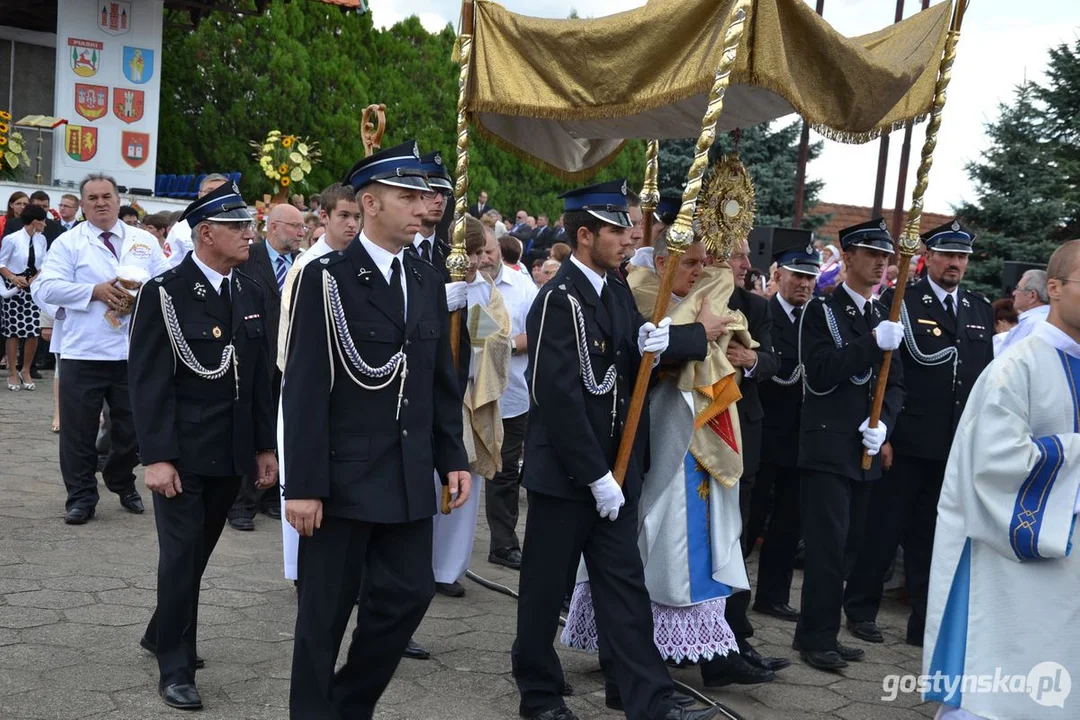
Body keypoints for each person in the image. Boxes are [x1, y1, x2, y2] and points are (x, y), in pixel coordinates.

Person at [512, 179, 719, 720]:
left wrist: (668, 343)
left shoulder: (617, 291)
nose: (629, 237)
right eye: (615, 229)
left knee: (624, 589)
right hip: (570, 475)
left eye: (627, 227)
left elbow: (629, 372)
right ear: (585, 236)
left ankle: (644, 699)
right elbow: (557, 397)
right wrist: (595, 475)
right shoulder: (559, 301)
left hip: (617, 473)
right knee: (543, 590)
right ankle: (538, 696)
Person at [282, 141, 470, 719]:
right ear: (369, 202)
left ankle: (347, 704)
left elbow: (440, 381)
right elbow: (305, 388)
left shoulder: (425, 274)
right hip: (342, 478)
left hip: (409, 475)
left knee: (408, 597)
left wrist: (452, 455)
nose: (425, 204)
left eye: (427, 194)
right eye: (408, 195)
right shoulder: (327, 278)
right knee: (324, 617)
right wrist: (304, 485)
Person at [562, 229, 768, 702]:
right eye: (690, 262)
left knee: (693, 545)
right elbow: (639, 356)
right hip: (652, 440)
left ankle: (683, 654)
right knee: (649, 543)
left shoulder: (707, 297)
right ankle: (629, 659)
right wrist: (699, 331)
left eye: (702, 263)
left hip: (699, 441)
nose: (700, 271)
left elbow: (725, 349)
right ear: (661, 261)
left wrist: (715, 333)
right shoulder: (635, 293)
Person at [127, 182, 278, 710]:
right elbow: (148, 383)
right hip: (183, 452)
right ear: (206, 233)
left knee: (199, 551)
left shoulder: (251, 289)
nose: (248, 234)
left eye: (248, 225)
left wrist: (265, 446)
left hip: (230, 451)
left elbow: (261, 379)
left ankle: (159, 630)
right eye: (238, 227)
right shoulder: (165, 291)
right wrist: (158, 457)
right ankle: (176, 666)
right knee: (180, 554)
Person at [922, 239, 1080, 720]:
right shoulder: (1016, 366)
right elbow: (994, 462)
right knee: (1000, 684)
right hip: (1011, 564)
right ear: (1053, 288)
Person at [844, 220, 995, 648]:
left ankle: (923, 623)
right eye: (948, 255)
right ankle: (860, 609)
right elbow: (887, 373)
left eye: (962, 257)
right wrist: (885, 431)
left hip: (952, 444)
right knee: (883, 529)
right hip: (906, 441)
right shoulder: (902, 302)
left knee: (933, 536)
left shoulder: (979, 308)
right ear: (929, 257)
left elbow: (980, 378)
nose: (956, 264)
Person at [794, 218, 905, 671]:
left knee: (852, 544)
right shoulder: (821, 310)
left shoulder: (883, 316)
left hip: (864, 447)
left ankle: (826, 633)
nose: (881, 263)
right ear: (849, 257)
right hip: (827, 447)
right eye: (872, 254)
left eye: (886, 257)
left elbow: (896, 384)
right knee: (826, 546)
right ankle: (815, 638)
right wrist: (869, 344)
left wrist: (886, 426)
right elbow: (819, 372)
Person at [34, 174, 170, 524]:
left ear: (117, 198)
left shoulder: (143, 241)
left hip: (132, 352)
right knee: (78, 432)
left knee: (132, 429)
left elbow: (166, 284)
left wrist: (137, 299)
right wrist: (92, 292)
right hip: (84, 351)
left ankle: (120, 477)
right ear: (82, 205)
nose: (100, 202)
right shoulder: (69, 242)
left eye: (106, 196)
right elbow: (45, 288)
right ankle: (81, 496)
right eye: (91, 198)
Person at [275, 183, 361, 583]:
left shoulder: (359, 263)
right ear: (323, 217)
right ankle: (303, 576)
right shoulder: (309, 268)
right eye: (344, 216)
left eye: (358, 217)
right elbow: (288, 348)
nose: (352, 225)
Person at [432, 216, 512, 596]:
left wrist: (477, 343)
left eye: (483, 253)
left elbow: (493, 340)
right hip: (432, 393)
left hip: (468, 396)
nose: (478, 262)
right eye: (472, 253)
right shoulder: (433, 278)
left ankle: (448, 568)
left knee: (465, 479)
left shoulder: (485, 291)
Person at [722, 237, 788, 677]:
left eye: (748, 254)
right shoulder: (691, 294)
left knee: (738, 533)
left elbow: (773, 362)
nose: (748, 263)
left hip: (744, 429)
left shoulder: (756, 307)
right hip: (698, 431)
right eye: (737, 253)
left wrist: (750, 359)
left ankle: (735, 633)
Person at [750, 230, 821, 622]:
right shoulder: (763, 313)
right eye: (797, 276)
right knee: (751, 515)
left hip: (801, 436)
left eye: (810, 277)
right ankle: (730, 593)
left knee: (789, 520)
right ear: (778, 275)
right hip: (765, 433)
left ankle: (773, 594)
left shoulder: (818, 318)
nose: (804, 284)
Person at [226, 201, 304, 531]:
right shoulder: (248, 257)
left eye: (303, 227)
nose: (302, 232)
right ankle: (242, 502)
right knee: (255, 427)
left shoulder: (306, 263)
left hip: (293, 359)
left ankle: (273, 496)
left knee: (285, 429)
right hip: (257, 356)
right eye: (294, 226)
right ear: (273, 228)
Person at [1, 204, 48, 390]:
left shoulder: (41, 240)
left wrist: (36, 278)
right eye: (43, 220)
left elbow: (44, 263)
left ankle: (25, 369)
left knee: (32, 331)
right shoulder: (11, 239)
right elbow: (1, 263)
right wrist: (14, 278)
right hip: (13, 288)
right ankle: (12, 371)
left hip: (33, 287)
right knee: (12, 332)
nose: (45, 224)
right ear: (36, 221)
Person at [162, 174, 230, 268]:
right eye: (210, 191)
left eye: (222, 192)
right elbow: (168, 266)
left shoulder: (241, 227)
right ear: (199, 195)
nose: (215, 196)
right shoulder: (181, 228)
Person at [996, 268, 1049, 354]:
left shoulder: (1028, 325)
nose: (1013, 293)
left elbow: (1008, 361)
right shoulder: (1053, 319)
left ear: (1032, 296)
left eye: (1018, 288)